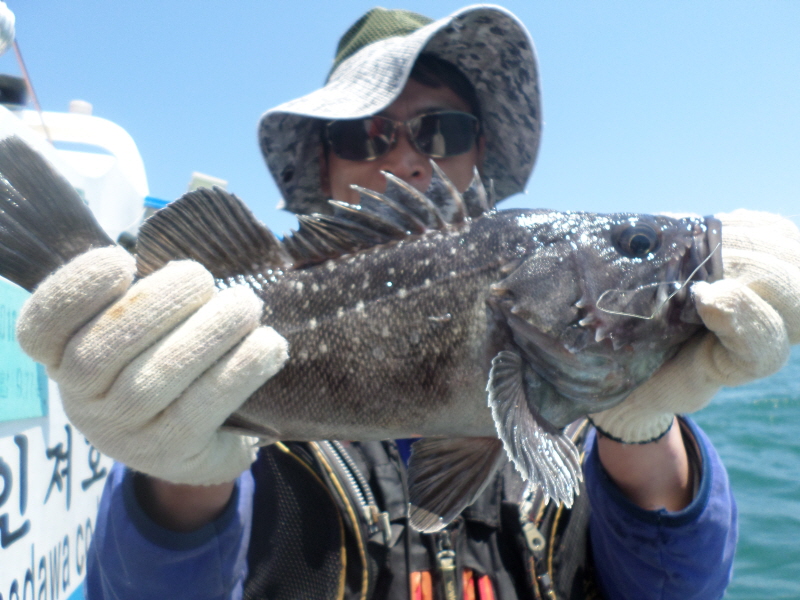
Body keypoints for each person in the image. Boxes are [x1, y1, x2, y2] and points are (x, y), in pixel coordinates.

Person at [15, 6, 800, 600]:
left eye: (440, 129)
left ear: (481, 149)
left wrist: (642, 426)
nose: (405, 158)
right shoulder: (250, 418)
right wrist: (174, 463)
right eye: (364, 136)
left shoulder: (571, 413)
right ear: (321, 165)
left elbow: (678, 587)